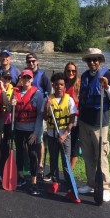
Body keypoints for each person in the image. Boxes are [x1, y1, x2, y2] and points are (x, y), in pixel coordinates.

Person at [77, 48, 110, 202]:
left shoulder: (109, 75)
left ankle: (106, 186)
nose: (92, 62)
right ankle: (91, 183)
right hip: (84, 121)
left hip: (100, 123)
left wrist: (107, 87)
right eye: (90, 60)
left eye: (95, 59)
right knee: (88, 156)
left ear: (100, 61)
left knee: (101, 156)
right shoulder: (84, 76)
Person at [44, 72, 80, 203]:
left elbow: (72, 119)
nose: (59, 87)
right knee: (53, 160)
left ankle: (70, 189)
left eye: (61, 85)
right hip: (52, 135)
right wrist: (46, 108)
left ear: (64, 86)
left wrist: (65, 134)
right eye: (56, 84)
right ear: (53, 85)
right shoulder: (49, 99)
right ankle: (55, 183)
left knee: (66, 164)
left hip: (65, 136)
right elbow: (44, 117)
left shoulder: (69, 99)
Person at [11, 69, 44, 196]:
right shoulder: (15, 92)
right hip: (18, 128)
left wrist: (36, 132)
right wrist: (11, 103)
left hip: (31, 130)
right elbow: (10, 109)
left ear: (31, 79)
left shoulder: (37, 94)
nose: (26, 80)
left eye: (28, 78)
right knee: (19, 152)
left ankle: (34, 182)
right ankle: (20, 177)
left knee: (32, 154)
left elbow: (40, 116)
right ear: (21, 79)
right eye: (23, 77)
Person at [25, 52, 52, 181]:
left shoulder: (43, 77)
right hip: (27, 113)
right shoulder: (25, 75)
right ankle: (30, 163)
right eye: (29, 61)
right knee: (29, 140)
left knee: (39, 139)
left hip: (39, 112)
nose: (31, 63)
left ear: (37, 62)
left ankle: (40, 165)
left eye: (33, 61)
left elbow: (49, 93)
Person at [64, 62, 81, 170]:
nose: (71, 73)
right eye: (69, 70)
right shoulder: (63, 83)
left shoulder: (79, 84)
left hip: (75, 117)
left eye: (73, 71)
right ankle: (64, 169)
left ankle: (70, 170)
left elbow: (81, 100)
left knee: (73, 144)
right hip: (63, 116)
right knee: (65, 145)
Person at [0, 69, 15, 175]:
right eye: (5, 78)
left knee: (6, 144)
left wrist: (4, 90)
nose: (7, 80)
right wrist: (3, 89)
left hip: (9, 121)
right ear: (2, 78)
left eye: (9, 79)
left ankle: (4, 166)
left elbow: (8, 104)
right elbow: (4, 102)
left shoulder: (14, 90)